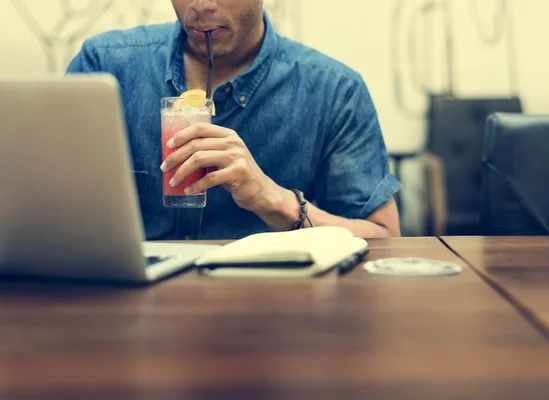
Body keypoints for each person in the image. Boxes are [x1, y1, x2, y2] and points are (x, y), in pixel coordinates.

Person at [66, 0, 401, 240]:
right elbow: (48, 213)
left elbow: (385, 241)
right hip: (125, 314)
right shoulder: (104, 65)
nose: (201, 5)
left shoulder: (334, 90)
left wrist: (275, 201)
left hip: (272, 314)